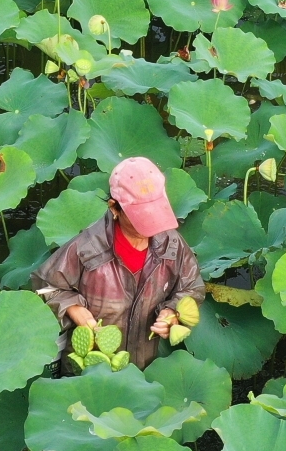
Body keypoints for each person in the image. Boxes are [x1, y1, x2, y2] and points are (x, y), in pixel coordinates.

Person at [31, 157, 206, 371]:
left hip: (143, 363)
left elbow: (192, 287)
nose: (151, 225)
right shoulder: (86, 247)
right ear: (114, 207)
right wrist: (72, 308)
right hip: (91, 364)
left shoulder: (172, 243)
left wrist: (171, 312)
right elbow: (43, 286)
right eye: (141, 216)